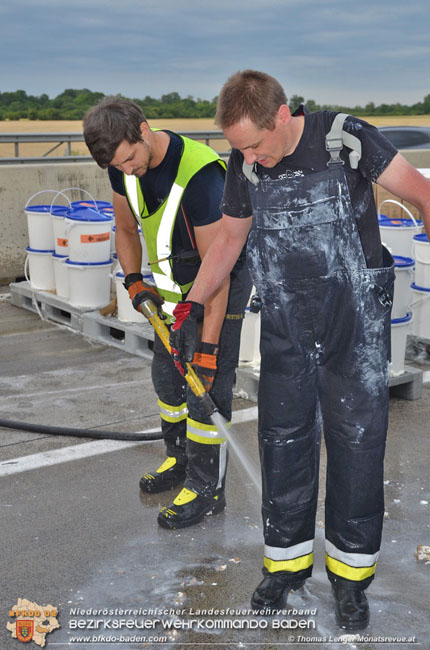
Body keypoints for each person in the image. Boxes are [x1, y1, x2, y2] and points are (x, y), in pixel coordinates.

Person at [169, 70, 430, 630]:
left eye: (256, 144)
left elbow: (423, 194)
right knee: (282, 443)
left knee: (357, 448)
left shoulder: (345, 138)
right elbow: (231, 241)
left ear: (282, 115)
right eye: (240, 148)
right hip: (287, 326)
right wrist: (191, 304)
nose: (252, 158)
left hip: (353, 325)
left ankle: (351, 580)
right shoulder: (244, 163)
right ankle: (285, 568)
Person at [83, 97, 252, 530]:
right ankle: (178, 461)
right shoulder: (122, 168)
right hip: (171, 294)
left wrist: (209, 348)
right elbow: (124, 228)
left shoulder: (200, 178)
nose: (127, 170)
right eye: (117, 166)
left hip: (217, 290)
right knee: (168, 380)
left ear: (142, 128)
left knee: (205, 390)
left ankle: (206, 488)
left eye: (129, 159)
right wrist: (135, 278)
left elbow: (220, 271)